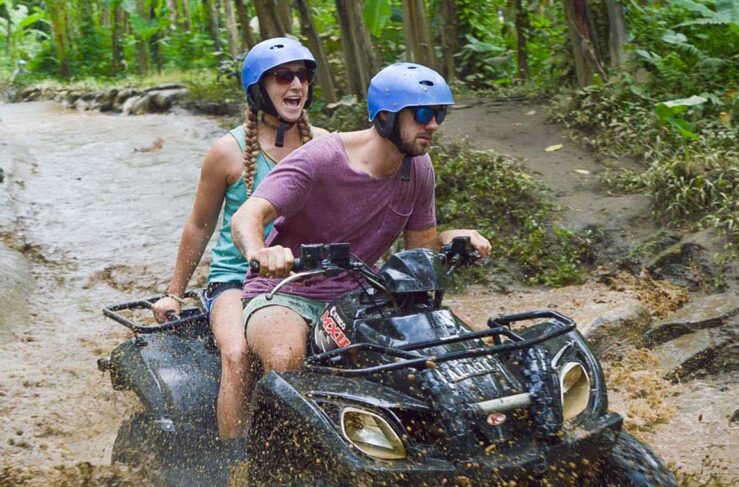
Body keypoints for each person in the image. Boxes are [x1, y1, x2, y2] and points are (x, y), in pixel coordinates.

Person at [231, 62, 491, 374]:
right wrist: (259, 252)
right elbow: (248, 214)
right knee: (285, 356)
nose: (433, 124)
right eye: (422, 114)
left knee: (465, 352)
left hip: (363, 295)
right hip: (285, 292)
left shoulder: (418, 168)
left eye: (440, 114)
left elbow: (420, 253)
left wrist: (451, 238)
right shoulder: (321, 158)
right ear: (385, 117)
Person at [151, 37, 328, 439]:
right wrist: (174, 293)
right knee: (237, 354)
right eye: (283, 77)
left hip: (306, 278)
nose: (296, 85)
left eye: (302, 76)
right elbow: (199, 226)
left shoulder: (325, 145)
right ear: (258, 90)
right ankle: (235, 463)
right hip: (237, 280)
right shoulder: (226, 152)